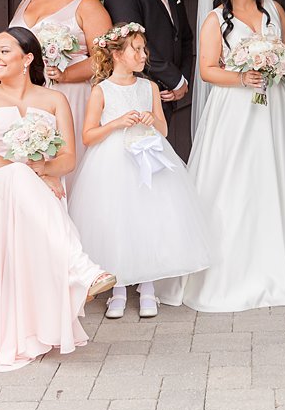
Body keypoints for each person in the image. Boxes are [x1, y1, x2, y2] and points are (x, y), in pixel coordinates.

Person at [167, 0, 285, 312]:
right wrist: (242, 76)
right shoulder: (215, 20)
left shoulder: (274, 9)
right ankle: (232, 274)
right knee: (236, 184)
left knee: (279, 179)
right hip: (236, 110)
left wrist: (275, 65)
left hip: (273, 107)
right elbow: (208, 69)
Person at [0, 26, 116, 373]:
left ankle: (35, 329)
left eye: (4, 52)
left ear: (28, 58)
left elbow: (67, 159)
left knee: (44, 186)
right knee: (26, 179)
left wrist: (44, 168)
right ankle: (80, 267)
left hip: (37, 187)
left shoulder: (54, 100)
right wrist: (29, 174)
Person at [69, 22, 212, 319]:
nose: (143, 54)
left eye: (144, 49)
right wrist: (115, 124)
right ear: (118, 54)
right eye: (136, 49)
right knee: (117, 220)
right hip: (112, 162)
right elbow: (88, 135)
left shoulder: (149, 87)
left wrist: (151, 119)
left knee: (149, 218)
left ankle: (148, 288)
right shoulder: (101, 90)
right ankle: (118, 288)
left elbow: (163, 128)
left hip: (150, 158)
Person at [10, 0, 112, 182]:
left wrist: (66, 75)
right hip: (27, 94)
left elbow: (105, 57)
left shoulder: (87, 5)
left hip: (70, 95)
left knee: (65, 162)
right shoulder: (27, 1)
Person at [101, 0, 196, 158]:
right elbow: (134, 44)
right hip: (144, 84)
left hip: (169, 88)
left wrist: (183, 77)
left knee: (157, 153)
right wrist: (173, 80)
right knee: (142, 155)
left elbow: (183, 36)